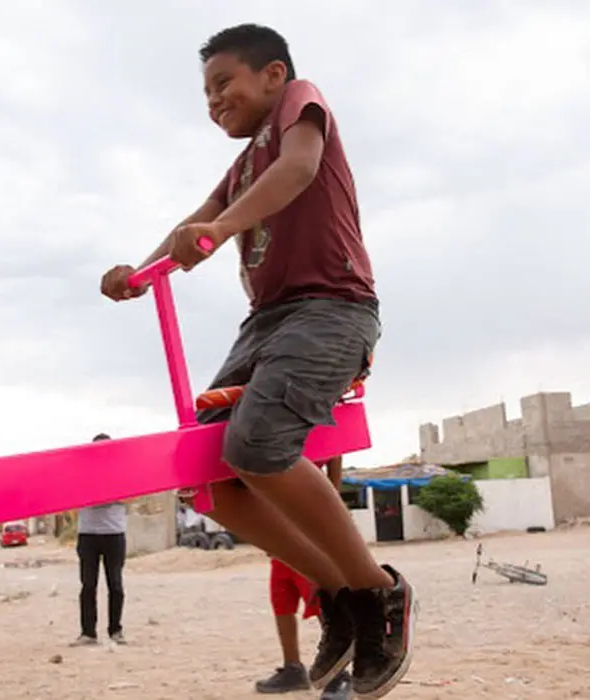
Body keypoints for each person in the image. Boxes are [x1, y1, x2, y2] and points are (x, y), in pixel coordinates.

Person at [100, 24, 417, 698]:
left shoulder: (301, 106)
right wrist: (141, 273)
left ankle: (377, 594)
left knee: (259, 441)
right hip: (266, 324)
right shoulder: (238, 168)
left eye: (224, 83)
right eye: (206, 92)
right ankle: (335, 593)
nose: (214, 100)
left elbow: (297, 172)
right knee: (205, 476)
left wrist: (219, 231)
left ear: (272, 75)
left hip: (333, 307)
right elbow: (197, 220)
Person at [256, 456, 351, 700]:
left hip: (307, 526)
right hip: (279, 529)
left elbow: (335, 454)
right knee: (281, 599)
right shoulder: (264, 436)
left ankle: (340, 674)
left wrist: (333, 501)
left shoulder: (304, 431)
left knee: (320, 601)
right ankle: (292, 668)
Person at [70, 433, 128, 647]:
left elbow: (133, 495)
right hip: (88, 534)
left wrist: (107, 493)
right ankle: (88, 633)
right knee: (88, 585)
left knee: (116, 584)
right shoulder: (81, 473)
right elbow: (73, 495)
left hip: (114, 534)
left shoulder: (122, 472)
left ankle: (116, 630)